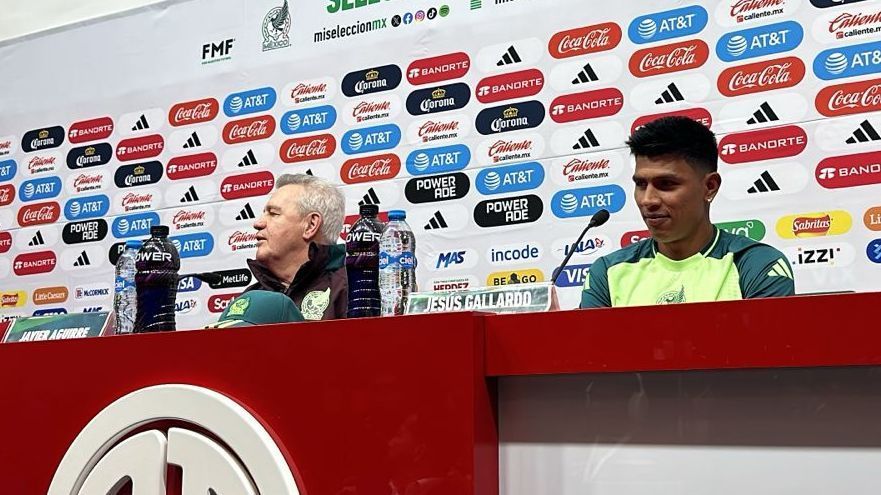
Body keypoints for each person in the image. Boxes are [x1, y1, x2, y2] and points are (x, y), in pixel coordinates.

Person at [580, 116, 795, 308]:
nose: (648, 200)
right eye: (641, 184)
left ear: (710, 186)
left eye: (666, 184)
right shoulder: (607, 272)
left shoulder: (758, 264)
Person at [244, 173, 348, 320]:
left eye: (273, 213)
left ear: (310, 225)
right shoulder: (249, 300)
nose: (258, 223)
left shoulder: (354, 288)